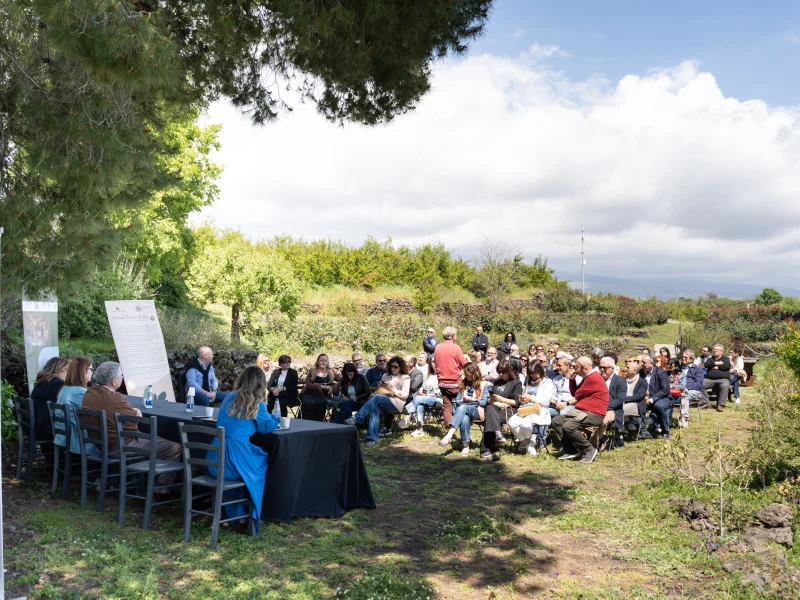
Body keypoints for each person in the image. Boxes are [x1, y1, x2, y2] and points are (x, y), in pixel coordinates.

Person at [82, 362, 181, 484]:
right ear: (114, 381)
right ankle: (160, 490)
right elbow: (135, 419)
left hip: (101, 445)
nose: (122, 378)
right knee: (175, 448)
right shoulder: (115, 397)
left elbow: (128, 416)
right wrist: (134, 413)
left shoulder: (89, 393)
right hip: (119, 446)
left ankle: (137, 482)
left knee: (138, 436)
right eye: (121, 376)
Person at [207, 365, 279, 531]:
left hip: (214, 459)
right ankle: (247, 519)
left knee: (246, 467)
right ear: (261, 383)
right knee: (257, 467)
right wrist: (275, 419)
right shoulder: (257, 403)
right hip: (233, 459)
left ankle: (236, 514)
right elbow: (266, 427)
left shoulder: (228, 397)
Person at [550, 357, 608, 464]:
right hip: (582, 411)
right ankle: (571, 450)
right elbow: (575, 393)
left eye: (576, 366)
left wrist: (572, 379)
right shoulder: (587, 377)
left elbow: (577, 394)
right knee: (556, 422)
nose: (574, 369)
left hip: (594, 414)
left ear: (584, 367)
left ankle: (589, 449)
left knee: (568, 426)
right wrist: (572, 380)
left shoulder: (593, 378)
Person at [346, 356, 410, 448]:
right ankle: (372, 439)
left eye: (395, 367)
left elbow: (405, 395)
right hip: (382, 399)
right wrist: (380, 387)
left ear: (401, 367)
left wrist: (393, 389)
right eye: (391, 366)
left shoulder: (405, 377)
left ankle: (356, 418)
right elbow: (381, 390)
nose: (393, 368)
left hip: (396, 403)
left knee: (376, 398)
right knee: (374, 409)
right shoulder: (386, 375)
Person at [438, 362, 488, 456]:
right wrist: (462, 400)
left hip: (477, 410)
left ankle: (449, 435)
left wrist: (471, 400)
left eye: (467, 373)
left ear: (474, 372)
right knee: (464, 419)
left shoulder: (484, 384)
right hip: (463, 409)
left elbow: (484, 402)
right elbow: (457, 400)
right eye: (465, 373)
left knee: (463, 407)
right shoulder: (464, 383)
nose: (466, 376)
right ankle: (466, 446)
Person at [507, 361, 556, 456]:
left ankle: (527, 443)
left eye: (533, 373)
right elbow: (526, 395)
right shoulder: (529, 380)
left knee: (526, 425)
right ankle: (526, 442)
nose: (532, 375)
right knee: (511, 422)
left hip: (539, 410)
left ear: (540, 371)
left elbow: (546, 401)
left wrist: (531, 398)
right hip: (526, 408)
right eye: (530, 373)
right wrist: (523, 399)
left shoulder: (548, 383)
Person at [479, 359, 522, 461]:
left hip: (508, 410)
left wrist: (502, 400)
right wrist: (491, 398)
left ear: (510, 371)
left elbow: (517, 403)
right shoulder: (497, 382)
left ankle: (487, 449)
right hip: (494, 409)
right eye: (499, 372)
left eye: (503, 372)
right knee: (490, 409)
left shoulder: (516, 383)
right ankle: (497, 433)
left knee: (490, 417)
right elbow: (491, 398)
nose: (501, 374)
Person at [54, 357, 95, 456]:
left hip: (63, 436)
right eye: (91, 369)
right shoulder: (80, 392)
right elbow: (96, 413)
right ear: (83, 371)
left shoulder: (65, 389)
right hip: (77, 440)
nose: (92, 372)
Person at [433, 326, 467, 431]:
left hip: (442, 382)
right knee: (461, 405)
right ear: (453, 336)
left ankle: (448, 430)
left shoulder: (437, 347)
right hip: (455, 382)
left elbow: (435, 362)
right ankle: (461, 428)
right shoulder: (455, 347)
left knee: (447, 407)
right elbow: (464, 364)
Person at [30, 357, 69, 441]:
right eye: (67, 370)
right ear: (60, 370)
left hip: (37, 427)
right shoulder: (58, 384)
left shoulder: (40, 383)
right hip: (49, 431)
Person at [401, 360, 442, 436]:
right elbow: (422, 387)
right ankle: (420, 429)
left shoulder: (442, 375)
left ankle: (408, 416)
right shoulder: (429, 375)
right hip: (424, 398)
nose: (434, 363)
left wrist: (429, 395)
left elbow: (440, 392)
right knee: (419, 405)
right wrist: (421, 391)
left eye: (435, 361)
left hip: (437, 399)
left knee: (418, 399)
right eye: (432, 361)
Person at [299, 354, 339, 421]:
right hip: (310, 394)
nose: (323, 362)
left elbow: (342, 381)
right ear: (318, 362)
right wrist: (318, 386)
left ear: (328, 362)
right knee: (307, 403)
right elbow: (308, 383)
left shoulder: (331, 372)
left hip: (323, 395)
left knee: (320, 403)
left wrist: (332, 388)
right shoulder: (313, 371)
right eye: (321, 360)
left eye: (325, 361)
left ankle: (318, 423)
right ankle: (304, 422)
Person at [599, 356, 629, 448]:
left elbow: (620, 400)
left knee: (603, 420)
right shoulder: (598, 380)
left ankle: (598, 440)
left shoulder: (620, 381)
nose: (602, 370)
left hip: (613, 409)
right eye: (601, 367)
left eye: (605, 368)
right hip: (597, 408)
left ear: (612, 368)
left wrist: (605, 408)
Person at [640, 354, 671, 438]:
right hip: (644, 398)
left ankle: (665, 431)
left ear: (652, 363)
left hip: (661, 398)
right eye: (641, 362)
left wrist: (651, 400)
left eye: (644, 362)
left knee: (659, 406)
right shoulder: (640, 372)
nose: (642, 364)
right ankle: (642, 430)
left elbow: (665, 390)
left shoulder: (661, 372)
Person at [680, 350, 709, 426]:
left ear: (691, 359)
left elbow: (699, 383)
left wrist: (687, 388)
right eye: (682, 357)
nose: (683, 358)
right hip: (678, 389)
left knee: (685, 396)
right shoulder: (679, 368)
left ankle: (684, 418)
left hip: (693, 391)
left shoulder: (697, 369)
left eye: (685, 357)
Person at [622, 356, 648, 439]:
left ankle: (620, 432)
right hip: (622, 402)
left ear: (634, 371)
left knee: (620, 409)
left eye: (628, 367)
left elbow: (639, 396)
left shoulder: (642, 381)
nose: (625, 368)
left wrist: (625, 399)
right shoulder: (622, 380)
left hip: (636, 404)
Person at [702, 344, 731, 412]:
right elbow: (706, 365)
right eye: (714, 349)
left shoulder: (726, 359)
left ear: (721, 352)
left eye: (716, 349)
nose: (714, 351)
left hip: (723, 379)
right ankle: (706, 403)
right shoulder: (710, 359)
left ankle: (721, 405)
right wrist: (717, 363)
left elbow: (726, 366)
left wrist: (717, 366)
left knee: (725, 385)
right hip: (710, 379)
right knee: (699, 384)